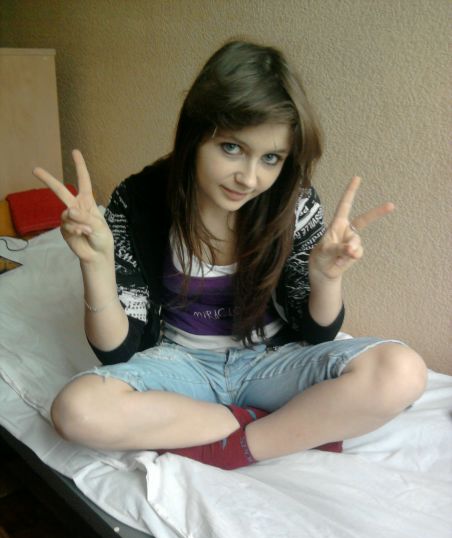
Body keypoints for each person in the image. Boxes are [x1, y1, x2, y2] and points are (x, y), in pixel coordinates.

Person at [33, 40, 427, 470]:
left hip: (273, 364)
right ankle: (274, 424)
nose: (249, 178)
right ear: (195, 135)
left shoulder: (293, 202)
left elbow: (317, 335)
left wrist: (326, 278)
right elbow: (118, 351)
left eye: (271, 158)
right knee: (77, 411)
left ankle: (240, 443)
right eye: (232, 148)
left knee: (402, 371)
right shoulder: (140, 200)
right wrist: (95, 265)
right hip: (183, 366)